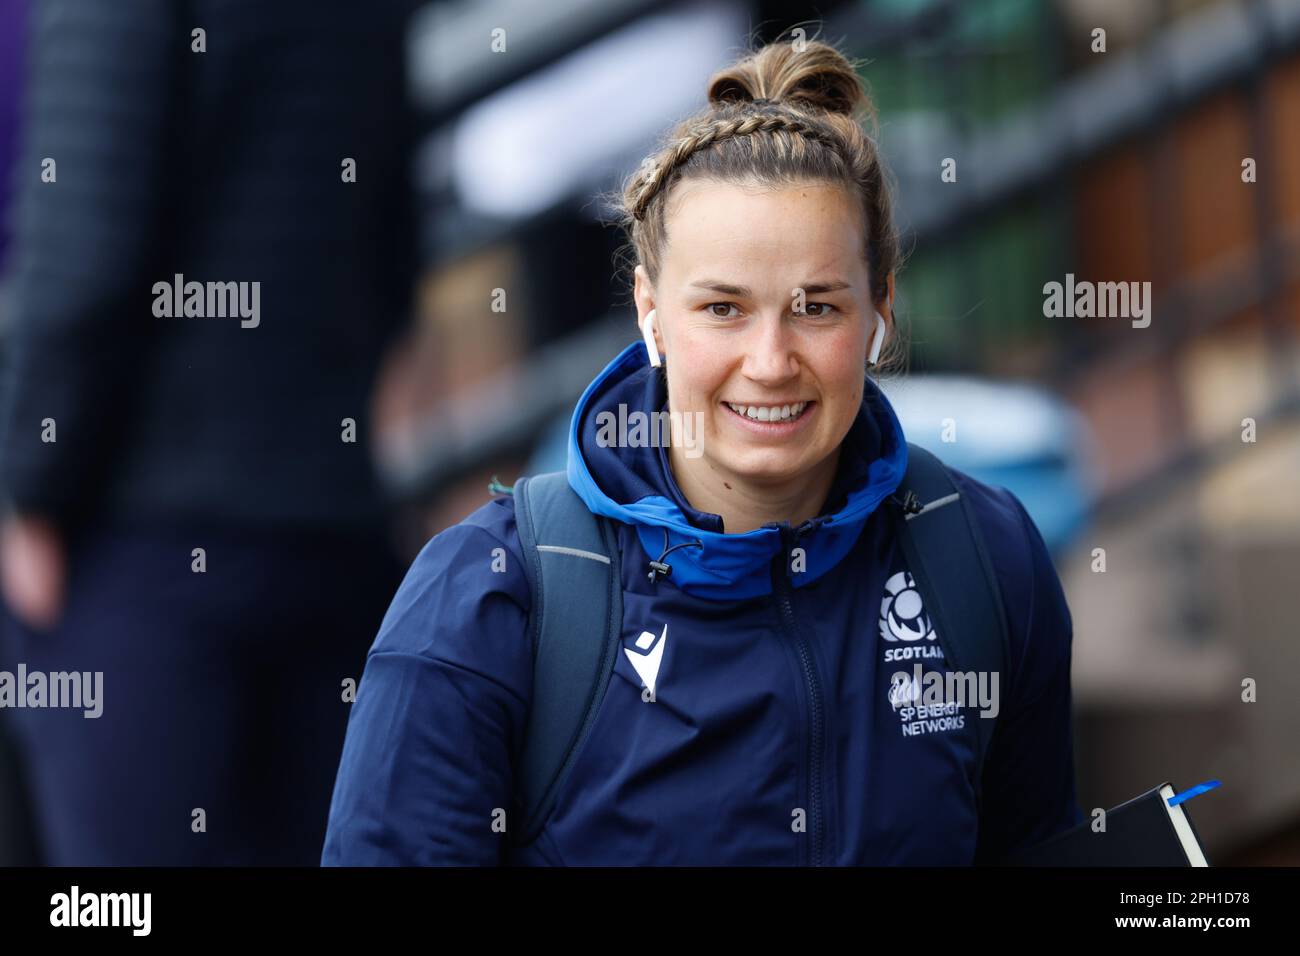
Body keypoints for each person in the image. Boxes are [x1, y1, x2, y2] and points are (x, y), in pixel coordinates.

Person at [321, 37, 1082, 866]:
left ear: (881, 309)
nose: (769, 360)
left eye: (816, 307)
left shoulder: (982, 555)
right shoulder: (483, 600)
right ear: (650, 312)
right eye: (723, 309)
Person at [0, 0, 417, 865]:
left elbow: (83, 263)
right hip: (330, 528)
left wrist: (30, 492)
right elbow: (393, 249)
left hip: (133, 551)